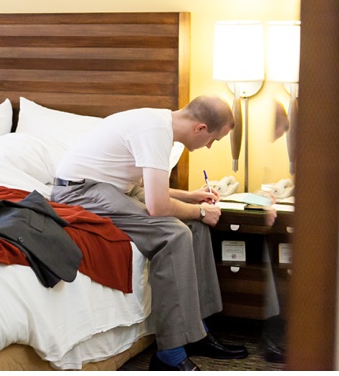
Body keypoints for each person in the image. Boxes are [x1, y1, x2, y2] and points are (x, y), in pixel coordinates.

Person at [51, 95, 248, 371]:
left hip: (109, 188)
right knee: (175, 234)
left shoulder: (158, 124)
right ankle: (170, 355)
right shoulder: (155, 132)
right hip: (79, 193)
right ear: (200, 128)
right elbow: (158, 207)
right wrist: (202, 211)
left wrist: (192, 198)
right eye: (213, 139)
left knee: (195, 224)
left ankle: (197, 331)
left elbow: (147, 189)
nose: (210, 146)